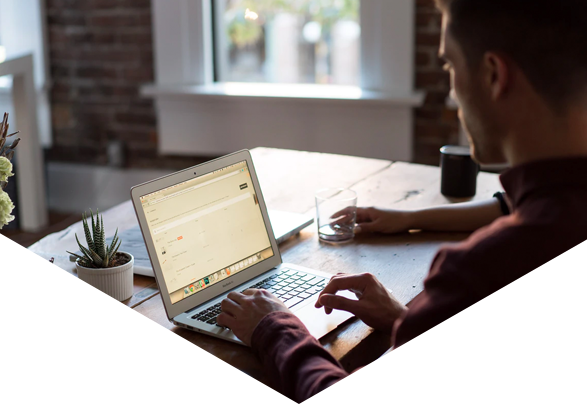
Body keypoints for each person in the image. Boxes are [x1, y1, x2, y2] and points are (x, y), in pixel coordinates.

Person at [218, 0, 587, 402]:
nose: (451, 91)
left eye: (449, 66)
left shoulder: (491, 271)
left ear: (494, 75)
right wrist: (410, 321)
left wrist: (273, 326)